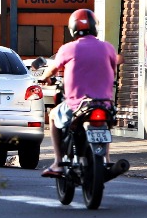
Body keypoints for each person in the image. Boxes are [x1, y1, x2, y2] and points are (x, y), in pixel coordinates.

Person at [38, 9, 120, 178]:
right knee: (105, 126)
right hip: (104, 104)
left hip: (77, 106)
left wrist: (44, 78)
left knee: (53, 115)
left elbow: (52, 69)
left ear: (72, 29)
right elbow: (113, 70)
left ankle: (59, 162)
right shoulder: (107, 48)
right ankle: (106, 158)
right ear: (95, 28)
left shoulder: (68, 48)